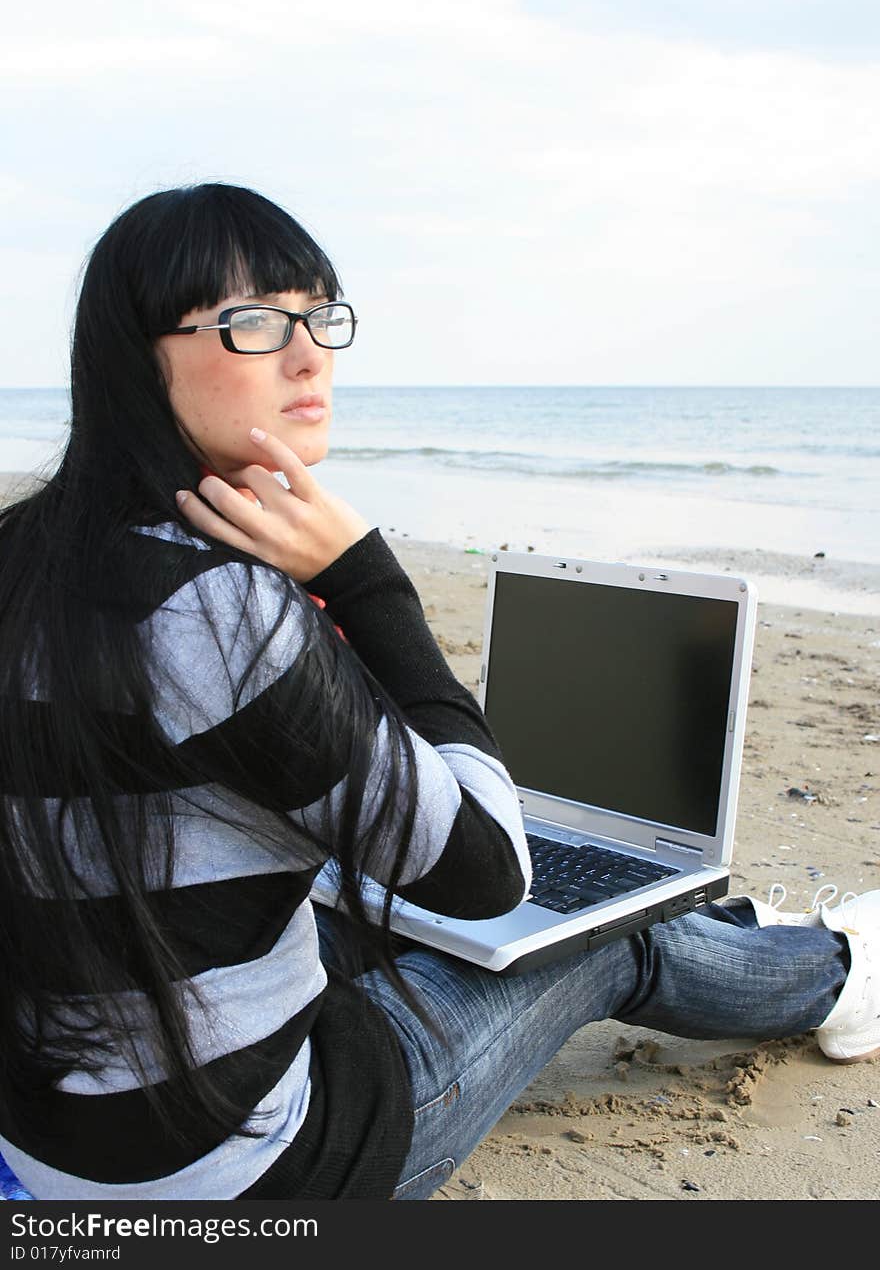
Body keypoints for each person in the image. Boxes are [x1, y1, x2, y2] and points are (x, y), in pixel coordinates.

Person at [0, 183, 877, 1203]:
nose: (307, 355)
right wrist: (363, 575)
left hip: (58, 1131)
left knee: (406, 913)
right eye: (251, 323)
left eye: (320, 315)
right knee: (607, 932)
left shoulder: (29, 558)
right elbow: (488, 869)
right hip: (240, 1172)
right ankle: (843, 979)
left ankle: (751, 943)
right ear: (134, 358)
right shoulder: (214, 610)